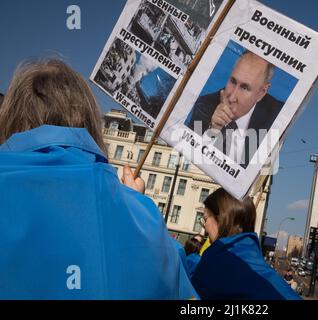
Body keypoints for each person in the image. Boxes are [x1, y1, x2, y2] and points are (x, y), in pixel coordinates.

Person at [0, 59, 197, 300]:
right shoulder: (144, 215)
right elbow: (176, 279)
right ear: (91, 120)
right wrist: (138, 209)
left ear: (11, 114)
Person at [191, 188, 300, 300]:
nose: (204, 226)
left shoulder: (213, 263)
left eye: (205, 219)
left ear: (221, 219)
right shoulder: (263, 268)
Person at [186, 51, 283, 167]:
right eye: (233, 81)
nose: (231, 97)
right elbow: (187, 155)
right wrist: (213, 130)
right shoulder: (205, 105)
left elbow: (263, 172)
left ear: (261, 93)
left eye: (245, 87)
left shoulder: (277, 117)